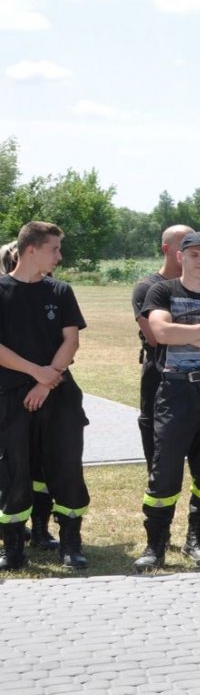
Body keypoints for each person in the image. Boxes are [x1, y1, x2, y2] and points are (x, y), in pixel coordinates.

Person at [139, 231, 200, 569]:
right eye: (194, 254)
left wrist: (184, 331)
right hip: (176, 390)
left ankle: (196, 539)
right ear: (180, 257)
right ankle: (155, 545)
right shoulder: (163, 291)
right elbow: (161, 333)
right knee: (165, 470)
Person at [0, 222, 92, 570]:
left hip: (58, 393)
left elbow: (71, 340)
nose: (59, 255)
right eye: (54, 248)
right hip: (11, 397)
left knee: (66, 466)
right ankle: (13, 548)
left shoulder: (60, 291)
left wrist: (46, 379)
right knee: (14, 469)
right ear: (31, 249)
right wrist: (34, 372)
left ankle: (70, 544)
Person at [132, 225, 191, 470]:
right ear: (166, 249)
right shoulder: (147, 288)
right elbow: (157, 337)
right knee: (156, 434)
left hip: (196, 376)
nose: (191, 249)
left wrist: (176, 330)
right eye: (184, 244)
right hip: (160, 373)